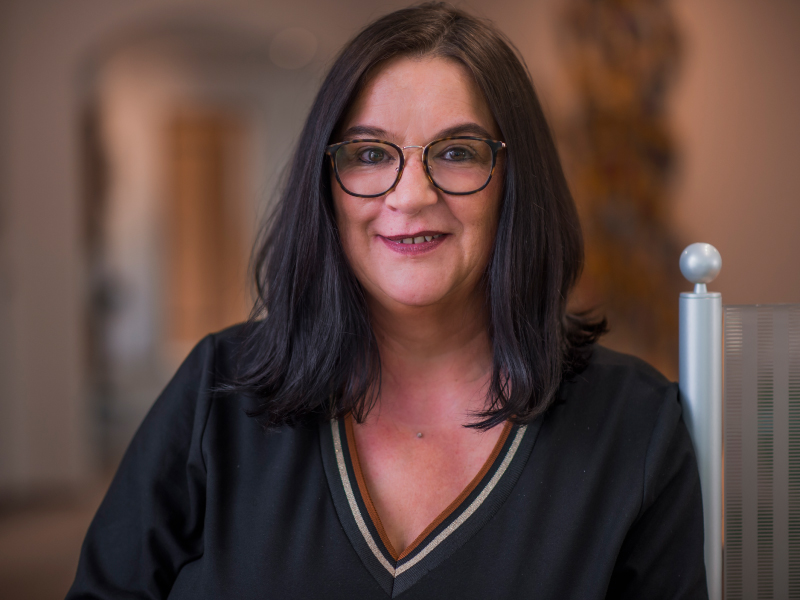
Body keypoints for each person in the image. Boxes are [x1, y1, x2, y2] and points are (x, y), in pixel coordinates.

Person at [67, 3, 708, 599]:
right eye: (371, 154)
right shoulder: (219, 389)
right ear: (326, 183)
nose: (411, 196)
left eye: (457, 152)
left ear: (517, 181)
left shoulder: (637, 426)